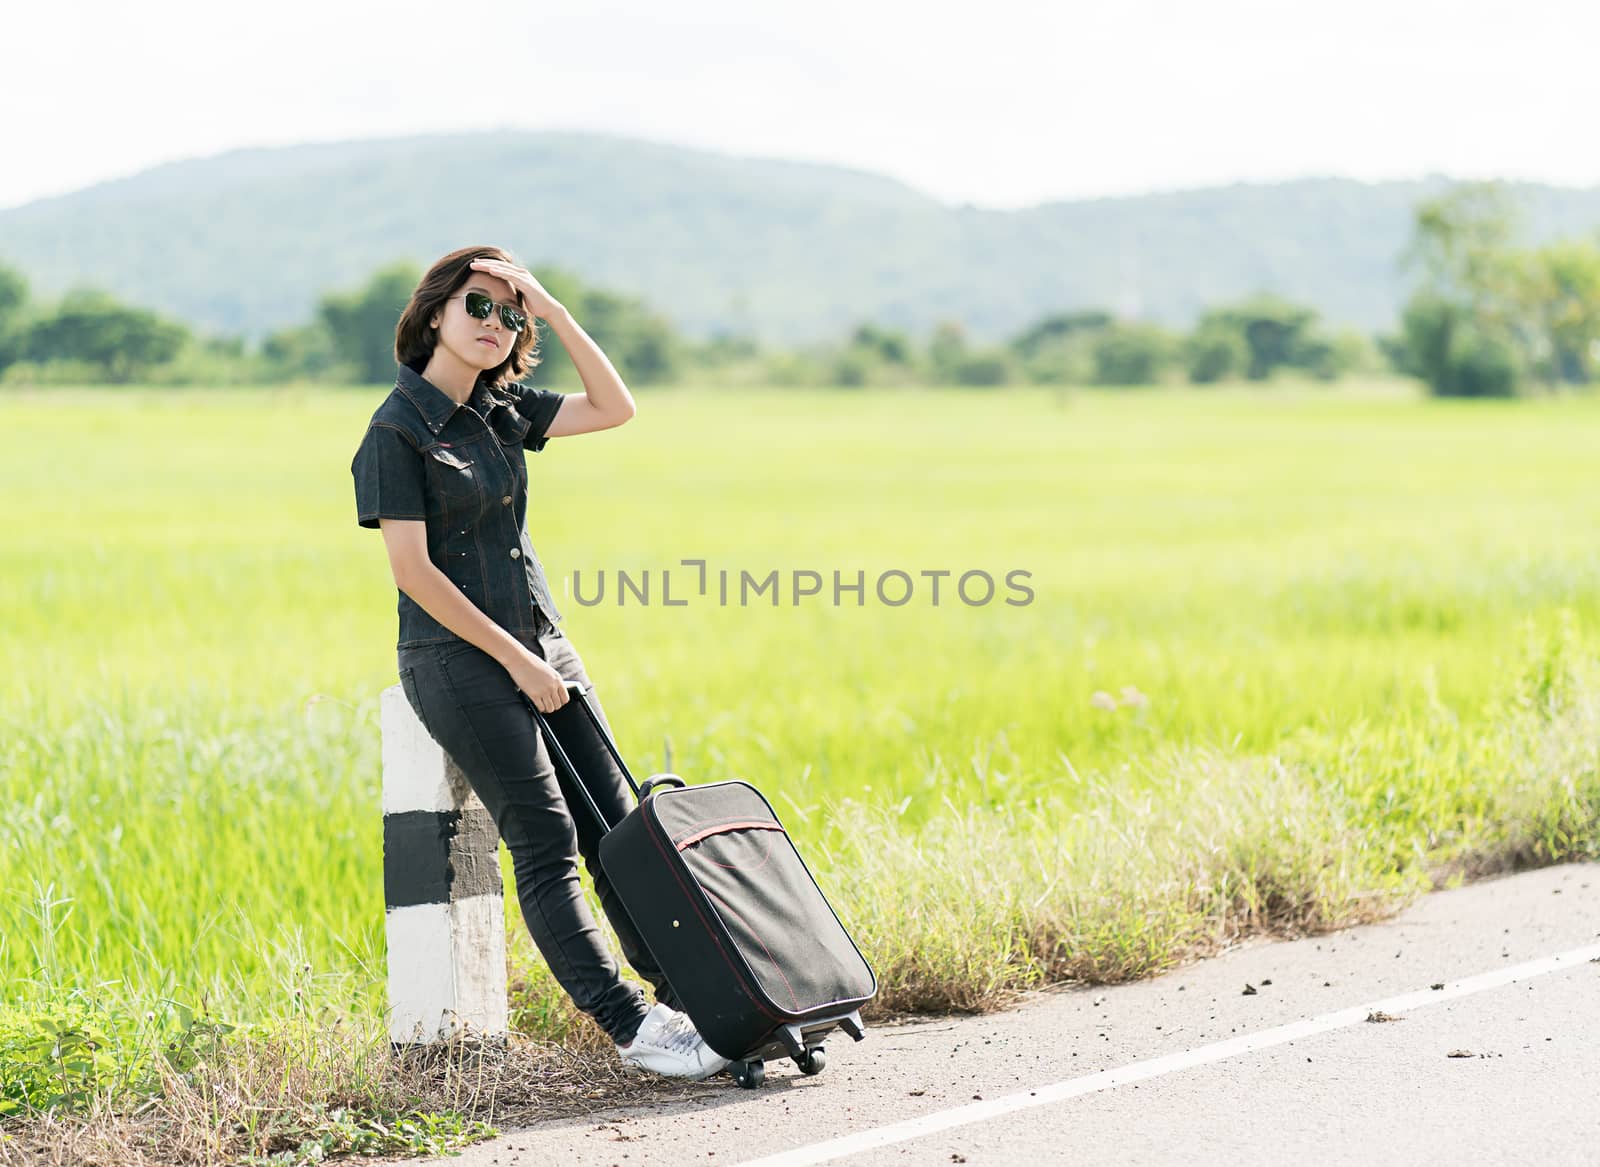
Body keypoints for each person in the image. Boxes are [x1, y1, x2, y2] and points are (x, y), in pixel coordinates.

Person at [350, 245, 729, 1080]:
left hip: (543, 643)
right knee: (547, 837)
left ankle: (703, 1001)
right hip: (458, 657)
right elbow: (415, 574)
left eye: (509, 313)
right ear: (435, 313)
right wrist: (517, 659)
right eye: (478, 306)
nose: (496, 323)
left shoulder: (503, 408)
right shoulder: (396, 429)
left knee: (621, 830)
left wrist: (552, 307)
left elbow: (615, 406)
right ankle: (635, 1029)